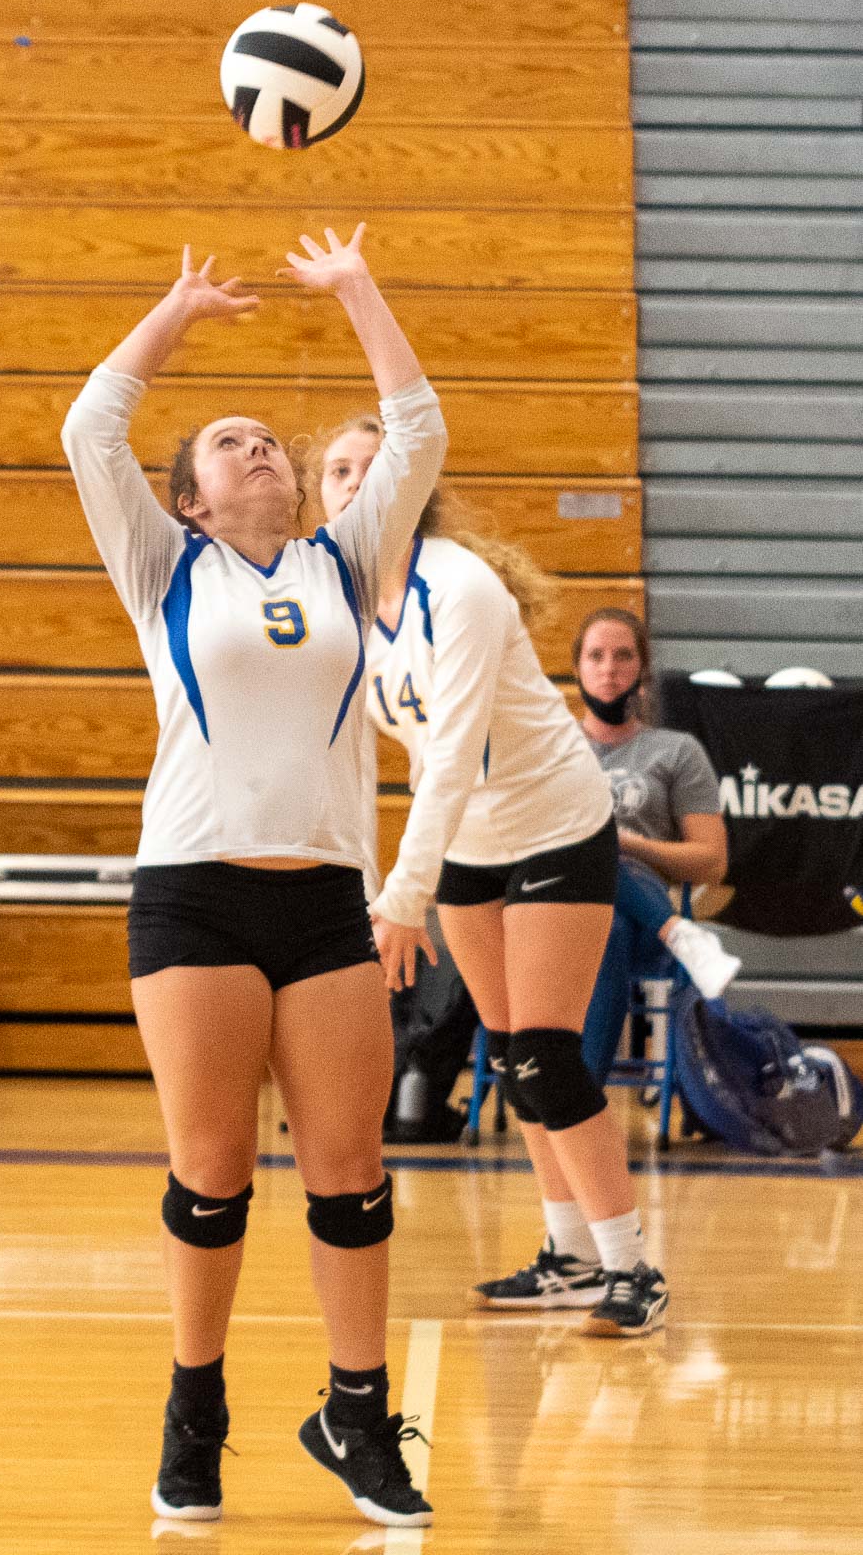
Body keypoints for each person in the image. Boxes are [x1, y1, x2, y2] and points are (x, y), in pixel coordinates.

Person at [61, 226, 447, 1528]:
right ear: (191, 499)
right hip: (193, 895)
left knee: (349, 1167)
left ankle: (354, 1414)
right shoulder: (166, 567)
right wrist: (174, 310)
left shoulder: (347, 557)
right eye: (230, 445)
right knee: (213, 1167)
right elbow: (88, 428)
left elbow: (417, 430)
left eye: (268, 440)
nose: (260, 450)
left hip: (324, 900)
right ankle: (195, 1410)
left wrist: (356, 289)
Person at [315, 425, 668, 1337]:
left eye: (370, 468)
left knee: (546, 1052)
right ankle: (568, 1260)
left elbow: (454, 755)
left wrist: (403, 897)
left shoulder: (459, 586)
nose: (352, 483)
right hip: (466, 843)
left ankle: (633, 1268)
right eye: (337, 471)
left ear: (411, 483)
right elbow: (366, 759)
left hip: (554, 826)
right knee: (511, 1059)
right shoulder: (342, 606)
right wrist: (372, 885)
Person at [573, 609, 740, 1087]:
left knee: (611, 923)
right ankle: (683, 936)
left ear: (643, 669)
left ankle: (581, 1097)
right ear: (577, 667)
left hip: (637, 917)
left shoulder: (677, 750)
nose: (609, 669)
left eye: (623, 656)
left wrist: (632, 845)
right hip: (556, 905)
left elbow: (712, 860)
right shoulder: (552, 745)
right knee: (588, 855)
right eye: (596, 656)